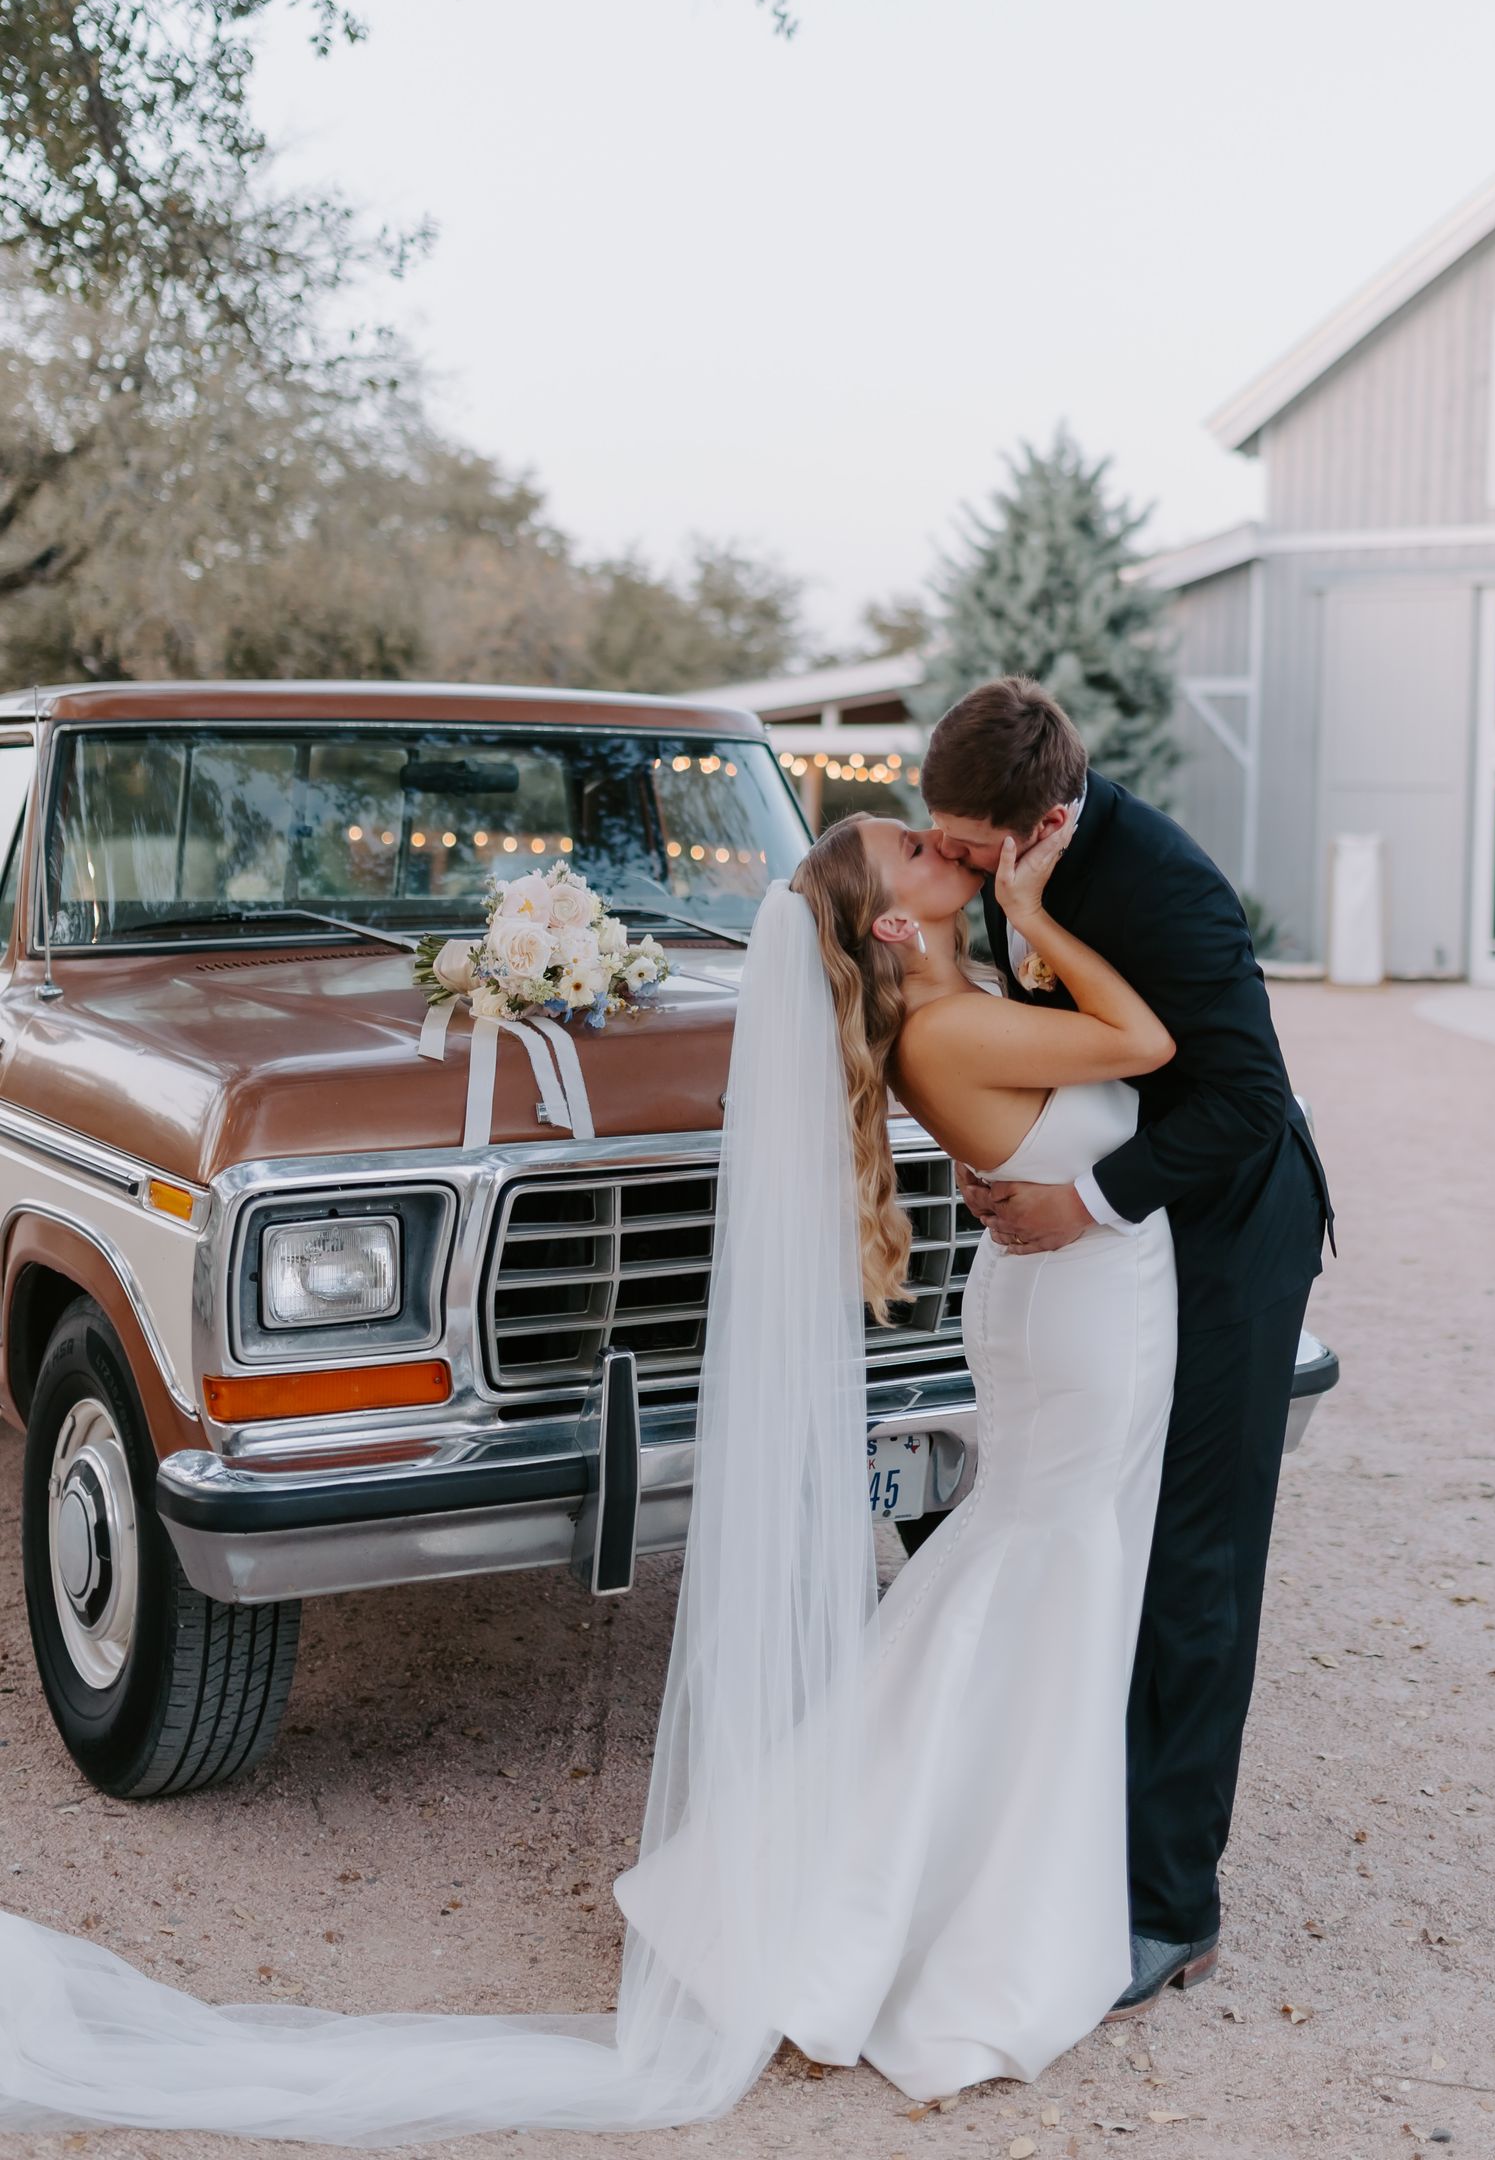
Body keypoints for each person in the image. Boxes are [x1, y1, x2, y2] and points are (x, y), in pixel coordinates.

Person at [0, 778, 1194, 2135]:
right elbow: (1150, 1045)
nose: (942, 853)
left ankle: (925, 1882)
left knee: (1003, 1598)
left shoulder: (926, 1005)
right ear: (877, 928)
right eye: (913, 848)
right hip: (1059, 1323)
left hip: (1023, 1331)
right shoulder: (943, 1014)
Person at [920, 677, 1332, 2015]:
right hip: (1117, 1244)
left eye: (973, 851)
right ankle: (1067, 1840)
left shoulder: (1163, 886)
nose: (957, 869)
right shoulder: (1011, 855)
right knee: (1107, 1537)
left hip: (1223, 1243)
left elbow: (1250, 1100)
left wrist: (1085, 1198)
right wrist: (1018, 1163)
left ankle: (1171, 1908)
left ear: (1042, 822)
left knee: (1195, 1559)